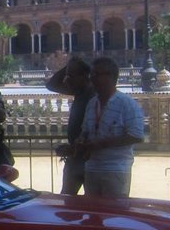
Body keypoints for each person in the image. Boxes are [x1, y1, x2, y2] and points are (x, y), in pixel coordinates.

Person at [77, 56, 145, 198]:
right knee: (92, 209)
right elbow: (85, 130)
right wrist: (81, 141)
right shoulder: (92, 103)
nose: (92, 79)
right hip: (92, 167)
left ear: (110, 77)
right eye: (92, 74)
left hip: (116, 169)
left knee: (114, 209)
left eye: (96, 74)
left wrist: (102, 144)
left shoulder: (127, 104)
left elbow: (136, 136)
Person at [46, 57, 94, 194]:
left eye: (71, 76)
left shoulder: (94, 95)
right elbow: (51, 85)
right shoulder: (79, 91)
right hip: (74, 155)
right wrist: (69, 65)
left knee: (91, 199)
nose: (67, 80)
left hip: (90, 156)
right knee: (67, 196)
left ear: (84, 76)